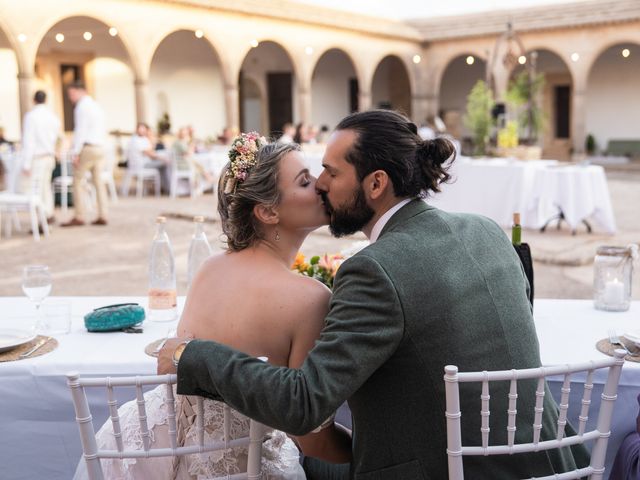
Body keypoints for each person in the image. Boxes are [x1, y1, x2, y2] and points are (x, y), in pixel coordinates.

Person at [159, 109, 590, 479]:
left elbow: (305, 404)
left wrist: (192, 355)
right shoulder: (486, 229)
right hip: (552, 462)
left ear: (376, 183)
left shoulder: (373, 269)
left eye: (330, 172)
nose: (323, 185)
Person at [76, 135, 351, 479]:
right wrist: (377, 454)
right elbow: (311, 438)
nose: (321, 186)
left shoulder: (209, 269)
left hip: (152, 453)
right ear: (267, 211)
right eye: (305, 182)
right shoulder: (311, 298)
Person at [61, 81, 109, 227]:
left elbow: (80, 131)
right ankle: (103, 214)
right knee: (98, 182)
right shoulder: (96, 105)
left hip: (87, 147)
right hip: (100, 147)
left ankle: (79, 216)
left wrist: (75, 152)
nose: (71, 98)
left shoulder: (82, 107)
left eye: (72, 94)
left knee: (77, 181)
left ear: (80, 91)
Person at [18, 90, 61, 223]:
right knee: (45, 187)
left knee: (35, 189)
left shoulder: (31, 116)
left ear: (34, 100)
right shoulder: (52, 116)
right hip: (49, 157)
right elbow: (58, 137)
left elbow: (28, 141)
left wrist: (26, 164)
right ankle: (48, 213)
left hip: (37, 158)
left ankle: (41, 218)